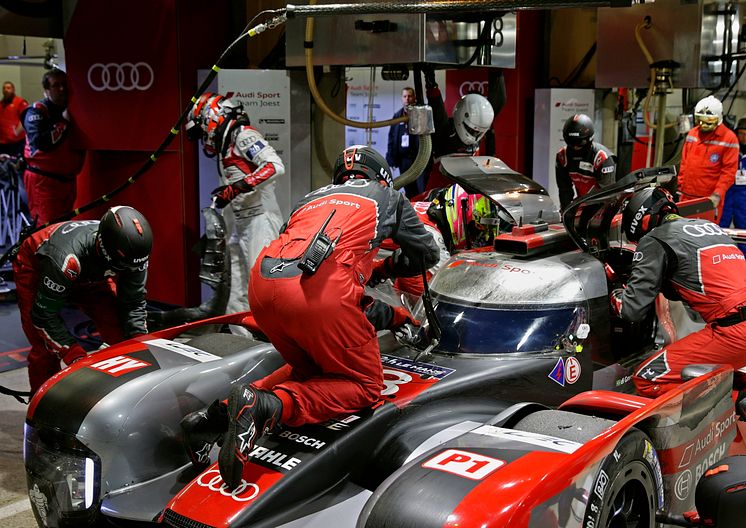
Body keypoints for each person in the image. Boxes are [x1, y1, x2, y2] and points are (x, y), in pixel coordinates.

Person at [180, 145, 440, 488]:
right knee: (364, 386)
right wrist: (391, 266)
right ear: (382, 177)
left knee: (312, 371)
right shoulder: (387, 196)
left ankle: (214, 417)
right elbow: (427, 253)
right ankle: (265, 407)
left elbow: (333, 287)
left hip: (265, 285)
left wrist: (392, 312)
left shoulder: (312, 199)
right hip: (319, 293)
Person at [610, 187, 746, 397]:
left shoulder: (655, 239)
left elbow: (631, 310)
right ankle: (731, 399)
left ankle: (714, 417)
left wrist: (615, 289)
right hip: (737, 324)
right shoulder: (709, 226)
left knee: (648, 376)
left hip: (735, 331)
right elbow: (682, 287)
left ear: (642, 221)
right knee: (717, 374)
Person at [12, 206, 152, 394]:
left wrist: (139, 342)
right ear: (105, 250)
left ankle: (127, 395)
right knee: (44, 349)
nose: (129, 270)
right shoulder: (66, 259)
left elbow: (133, 302)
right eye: (123, 266)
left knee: (120, 333)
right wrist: (75, 356)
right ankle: (42, 408)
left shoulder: (134, 256)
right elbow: (44, 316)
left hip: (91, 273)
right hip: (37, 268)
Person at [186, 92, 285, 319]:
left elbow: (274, 166)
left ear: (212, 118)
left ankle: (273, 344)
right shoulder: (229, 144)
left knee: (263, 288)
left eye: (202, 129)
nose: (204, 137)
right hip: (241, 224)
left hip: (261, 221)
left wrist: (238, 187)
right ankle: (241, 342)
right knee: (237, 293)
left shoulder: (244, 136)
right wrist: (227, 194)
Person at [22, 68, 85, 226]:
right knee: (46, 229)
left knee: (64, 228)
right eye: (56, 85)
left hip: (67, 181)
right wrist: (62, 123)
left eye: (64, 85)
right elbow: (41, 143)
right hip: (43, 181)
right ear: (47, 90)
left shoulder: (73, 109)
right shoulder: (36, 111)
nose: (62, 89)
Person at [424, 74, 495, 192]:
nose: (475, 135)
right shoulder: (444, 130)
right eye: (472, 130)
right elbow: (437, 108)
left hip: (468, 191)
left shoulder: (482, 130)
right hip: (439, 193)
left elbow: (501, 98)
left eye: (479, 132)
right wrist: (432, 86)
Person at [678, 95, 738, 221]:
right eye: (699, 120)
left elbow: (729, 172)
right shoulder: (693, 133)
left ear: (718, 118)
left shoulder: (728, 139)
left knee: (705, 236)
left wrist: (717, 194)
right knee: (683, 234)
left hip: (708, 200)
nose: (702, 125)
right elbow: (684, 163)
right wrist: (680, 187)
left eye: (708, 121)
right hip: (686, 197)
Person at [555, 114, 617, 211]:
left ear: (589, 138)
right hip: (584, 203)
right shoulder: (562, 156)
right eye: (572, 142)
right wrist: (566, 211)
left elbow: (607, 194)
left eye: (579, 143)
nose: (575, 147)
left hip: (603, 205)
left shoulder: (602, 157)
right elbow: (564, 190)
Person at [386, 86, 427, 197]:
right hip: (404, 162)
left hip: (419, 160)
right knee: (409, 191)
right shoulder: (397, 116)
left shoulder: (421, 115)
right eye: (405, 96)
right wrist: (391, 159)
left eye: (409, 96)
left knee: (421, 190)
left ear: (414, 98)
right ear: (402, 98)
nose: (407, 99)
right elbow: (391, 138)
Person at [719, 117, 746, 253]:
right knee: (720, 230)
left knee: (744, 232)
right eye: (741, 133)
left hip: (744, 199)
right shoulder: (730, 150)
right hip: (727, 195)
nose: (744, 137)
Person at [0, 81, 28, 157]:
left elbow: (25, 118)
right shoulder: (1, 104)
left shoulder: (20, 102)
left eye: (8, 88)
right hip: (3, 142)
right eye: (4, 88)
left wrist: (16, 133)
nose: (6, 90)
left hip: (16, 142)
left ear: (13, 90)